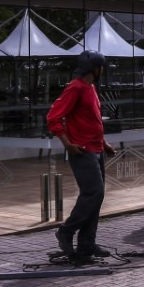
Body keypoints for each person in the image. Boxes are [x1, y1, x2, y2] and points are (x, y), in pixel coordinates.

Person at [47, 50, 116, 260]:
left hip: (95, 149)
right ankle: (66, 231)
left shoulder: (90, 88)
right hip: (82, 150)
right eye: (102, 66)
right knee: (93, 193)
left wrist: (103, 144)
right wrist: (68, 145)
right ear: (96, 69)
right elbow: (53, 118)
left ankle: (87, 244)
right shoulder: (75, 88)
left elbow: (91, 120)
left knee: (96, 196)